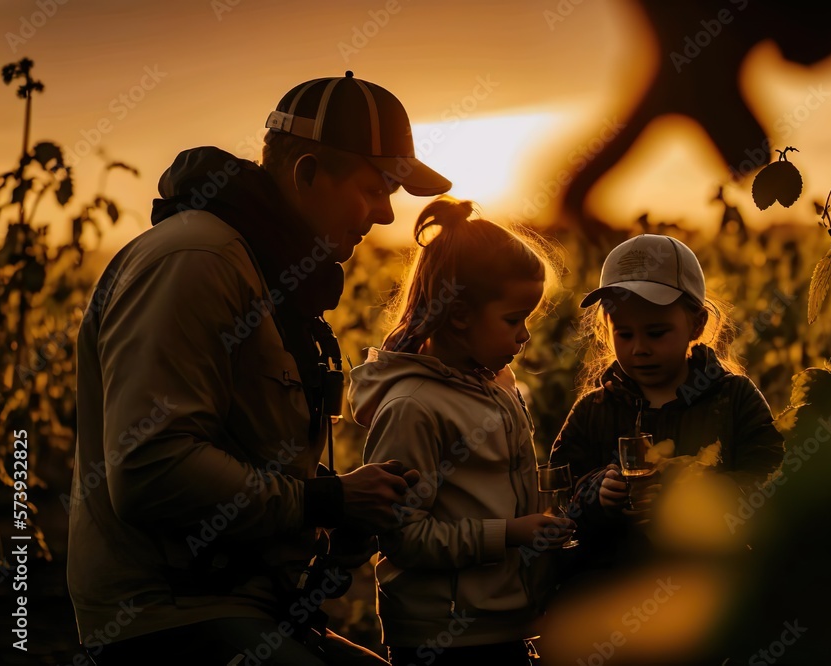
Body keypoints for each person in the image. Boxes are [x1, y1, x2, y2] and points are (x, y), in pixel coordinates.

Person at [67, 72, 450, 665]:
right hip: (168, 617)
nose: (385, 215)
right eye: (375, 189)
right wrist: (325, 502)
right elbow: (151, 467)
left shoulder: (264, 273)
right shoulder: (197, 261)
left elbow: (239, 448)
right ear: (305, 173)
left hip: (248, 605)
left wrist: (349, 498)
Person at [348, 197, 575, 666]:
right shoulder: (413, 407)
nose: (525, 336)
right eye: (514, 320)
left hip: (504, 624)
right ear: (461, 315)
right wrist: (509, 533)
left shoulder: (500, 385)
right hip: (443, 638)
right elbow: (404, 539)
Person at [549, 233, 785, 571]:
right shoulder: (592, 411)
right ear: (606, 330)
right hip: (613, 596)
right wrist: (597, 495)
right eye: (625, 334)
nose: (639, 348)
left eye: (657, 333)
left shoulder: (733, 399)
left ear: (697, 324)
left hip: (711, 586)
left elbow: (771, 483)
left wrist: (691, 491)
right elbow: (559, 506)